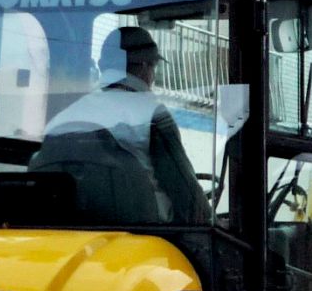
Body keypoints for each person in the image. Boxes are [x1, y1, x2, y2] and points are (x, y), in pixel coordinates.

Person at [33, 25, 209, 225]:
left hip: (67, 235)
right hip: (149, 238)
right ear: (144, 66)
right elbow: (186, 193)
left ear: (102, 66)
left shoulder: (61, 119)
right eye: (153, 68)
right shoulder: (152, 115)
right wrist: (212, 221)